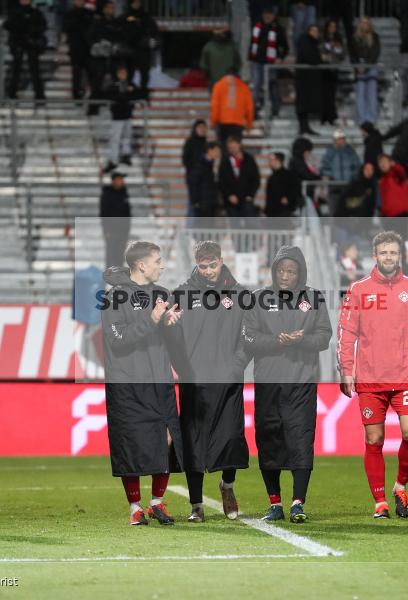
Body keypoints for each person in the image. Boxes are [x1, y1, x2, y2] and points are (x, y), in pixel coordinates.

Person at [338, 230, 408, 519]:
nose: (388, 257)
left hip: (406, 377)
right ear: (375, 256)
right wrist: (346, 370)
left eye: (393, 253)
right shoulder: (358, 289)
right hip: (371, 379)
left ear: (401, 256)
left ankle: (400, 486)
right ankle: (379, 502)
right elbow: (346, 334)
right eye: (383, 252)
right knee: (374, 439)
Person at [244, 246, 331, 522]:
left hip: (301, 383)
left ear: (300, 273)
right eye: (281, 270)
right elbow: (248, 338)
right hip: (268, 383)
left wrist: (301, 340)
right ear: (273, 271)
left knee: (301, 440)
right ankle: (275, 503)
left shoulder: (313, 299)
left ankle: (298, 503)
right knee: (268, 440)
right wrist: (276, 341)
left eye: (291, 271)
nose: (285, 276)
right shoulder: (258, 299)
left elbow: (324, 337)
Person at [101, 241, 184, 526]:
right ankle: (135, 507)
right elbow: (118, 339)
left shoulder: (162, 294)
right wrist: (151, 319)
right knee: (132, 443)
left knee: (168, 438)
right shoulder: (114, 297)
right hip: (127, 382)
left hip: (159, 378)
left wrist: (171, 323)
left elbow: (165, 336)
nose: (162, 265)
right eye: (158, 260)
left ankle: (157, 503)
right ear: (141, 265)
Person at [167, 241, 249, 523]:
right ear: (196, 263)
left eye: (212, 265)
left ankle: (227, 486)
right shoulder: (182, 294)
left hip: (228, 380)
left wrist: (236, 367)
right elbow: (172, 338)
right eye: (203, 266)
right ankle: (196, 505)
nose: (208, 271)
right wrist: (183, 369)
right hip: (194, 382)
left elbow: (247, 335)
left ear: (221, 261)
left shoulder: (239, 295)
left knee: (230, 438)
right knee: (193, 442)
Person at [102, 64, 143, 173]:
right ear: (117, 74)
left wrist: (129, 93)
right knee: (115, 139)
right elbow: (109, 96)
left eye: (124, 73)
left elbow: (137, 94)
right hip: (117, 116)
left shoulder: (131, 84)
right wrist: (124, 95)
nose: (123, 75)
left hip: (128, 115)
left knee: (126, 137)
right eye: (121, 73)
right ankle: (113, 160)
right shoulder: (113, 85)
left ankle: (126, 155)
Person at [249, 6, 288, 118]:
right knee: (256, 86)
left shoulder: (278, 28)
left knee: (272, 86)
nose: (267, 16)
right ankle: (252, 111)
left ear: (273, 16)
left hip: (271, 63)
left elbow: (285, 46)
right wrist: (251, 57)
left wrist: (280, 57)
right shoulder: (257, 26)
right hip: (257, 62)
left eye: (270, 14)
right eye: (266, 14)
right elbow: (252, 44)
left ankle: (275, 110)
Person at [4, 0, 47, 102]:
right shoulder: (15, 12)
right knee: (16, 70)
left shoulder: (35, 12)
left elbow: (42, 26)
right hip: (18, 43)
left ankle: (39, 96)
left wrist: (33, 34)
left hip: (31, 44)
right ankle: (11, 94)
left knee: (35, 70)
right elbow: (7, 25)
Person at [120, 0, 159, 97]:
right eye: (134, 2)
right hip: (130, 50)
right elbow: (122, 33)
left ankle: (143, 94)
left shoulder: (146, 17)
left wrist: (153, 42)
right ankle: (127, 94)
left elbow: (155, 33)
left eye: (138, 2)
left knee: (145, 74)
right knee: (129, 74)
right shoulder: (125, 17)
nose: (136, 4)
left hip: (144, 50)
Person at [218, 136, 260, 218]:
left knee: (250, 226)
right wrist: (229, 195)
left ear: (239, 145)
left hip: (246, 200)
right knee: (235, 227)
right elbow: (221, 182)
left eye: (234, 147)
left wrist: (250, 195)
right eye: (230, 147)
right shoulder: (224, 162)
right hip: (231, 202)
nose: (232, 149)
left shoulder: (249, 159)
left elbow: (256, 179)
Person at [210, 69, 254, 145]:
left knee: (223, 148)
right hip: (237, 123)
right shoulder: (244, 87)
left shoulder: (218, 85)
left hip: (222, 123)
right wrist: (249, 124)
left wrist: (213, 122)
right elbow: (249, 108)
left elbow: (215, 106)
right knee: (235, 149)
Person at [63, 0, 96, 101]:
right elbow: (67, 28)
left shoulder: (89, 13)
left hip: (88, 48)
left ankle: (94, 94)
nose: (80, 1)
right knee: (76, 73)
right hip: (76, 48)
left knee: (92, 72)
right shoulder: (69, 14)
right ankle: (76, 95)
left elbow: (93, 28)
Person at [351, 17, 380, 127]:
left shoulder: (375, 37)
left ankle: (371, 119)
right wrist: (356, 66)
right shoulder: (355, 38)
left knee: (371, 94)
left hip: (371, 66)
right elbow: (352, 53)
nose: (365, 25)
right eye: (362, 23)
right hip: (358, 66)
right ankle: (361, 119)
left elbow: (375, 52)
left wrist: (366, 66)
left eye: (366, 23)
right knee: (360, 93)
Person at [294, 24, 323, 135]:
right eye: (313, 30)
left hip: (307, 79)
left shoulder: (314, 43)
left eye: (317, 31)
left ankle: (305, 127)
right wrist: (320, 58)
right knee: (302, 103)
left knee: (304, 104)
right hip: (303, 78)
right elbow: (310, 57)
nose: (315, 33)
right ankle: (303, 127)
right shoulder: (305, 41)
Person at [99, 170, 131, 268]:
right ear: (114, 181)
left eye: (122, 179)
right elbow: (104, 213)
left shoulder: (124, 193)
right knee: (111, 252)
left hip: (123, 229)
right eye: (119, 179)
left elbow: (127, 212)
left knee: (120, 252)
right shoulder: (107, 194)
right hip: (111, 229)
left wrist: (127, 227)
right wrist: (106, 229)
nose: (122, 181)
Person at [320, 19, 345, 126]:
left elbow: (342, 55)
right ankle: (323, 117)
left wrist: (338, 49)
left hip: (334, 69)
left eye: (334, 26)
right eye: (330, 26)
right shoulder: (322, 38)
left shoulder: (338, 39)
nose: (332, 29)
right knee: (323, 94)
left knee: (331, 94)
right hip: (323, 69)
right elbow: (320, 51)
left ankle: (331, 116)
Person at [188, 141, 221, 219]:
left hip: (211, 203)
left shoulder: (212, 165)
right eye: (216, 151)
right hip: (202, 204)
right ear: (209, 150)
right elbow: (193, 183)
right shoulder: (200, 164)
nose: (218, 153)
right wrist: (196, 202)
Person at [265, 151, 300, 224]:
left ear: (278, 161)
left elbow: (295, 189)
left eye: (272, 160)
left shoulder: (289, 175)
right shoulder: (271, 178)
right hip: (272, 213)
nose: (270, 162)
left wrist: (288, 198)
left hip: (285, 211)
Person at [183, 119, 208, 214]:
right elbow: (185, 160)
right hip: (192, 178)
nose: (202, 130)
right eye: (200, 127)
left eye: (204, 128)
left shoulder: (206, 143)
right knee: (192, 202)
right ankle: (190, 226)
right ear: (195, 129)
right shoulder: (190, 142)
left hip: (204, 179)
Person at [290, 136, 321, 208]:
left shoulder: (298, 160)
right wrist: (320, 177)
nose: (309, 153)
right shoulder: (297, 161)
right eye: (308, 151)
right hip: (300, 195)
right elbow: (306, 174)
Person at [377, 154, 408, 219]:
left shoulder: (396, 173)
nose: (382, 164)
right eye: (380, 162)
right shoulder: (382, 180)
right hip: (388, 215)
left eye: (384, 161)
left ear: (390, 162)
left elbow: (402, 172)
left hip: (401, 214)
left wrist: (395, 165)